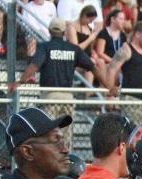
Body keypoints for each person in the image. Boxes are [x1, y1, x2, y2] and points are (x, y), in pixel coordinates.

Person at [9, 18, 117, 149]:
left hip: (49, 97)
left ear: (49, 31)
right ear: (65, 32)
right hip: (67, 97)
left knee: (49, 133)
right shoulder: (73, 49)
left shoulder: (45, 47)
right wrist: (109, 87)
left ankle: (50, 161)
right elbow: (93, 67)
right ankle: (67, 161)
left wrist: (19, 82)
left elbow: (34, 66)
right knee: (66, 135)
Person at [107, 22, 142, 126]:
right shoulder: (127, 50)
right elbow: (112, 69)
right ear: (137, 34)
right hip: (131, 97)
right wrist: (110, 92)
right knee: (133, 130)